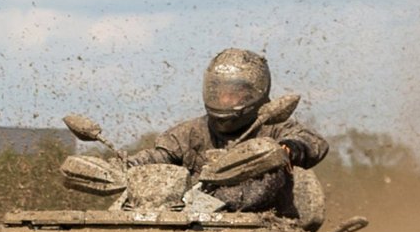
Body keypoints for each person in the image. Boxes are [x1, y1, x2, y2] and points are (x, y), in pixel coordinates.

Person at [128, 48, 328, 214]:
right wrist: (126, 166)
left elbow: (313, 142)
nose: (224, 101)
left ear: (257, 95)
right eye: (219, 93)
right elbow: (157, 157)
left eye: (235, 95)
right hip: (193, 223)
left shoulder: (272, 126)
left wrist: (289, 148)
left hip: (262, 223)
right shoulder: (189, 132)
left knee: (270, 163)